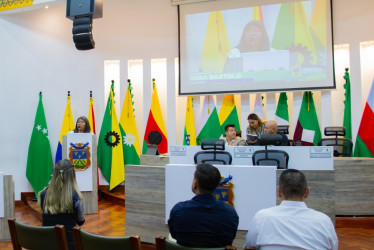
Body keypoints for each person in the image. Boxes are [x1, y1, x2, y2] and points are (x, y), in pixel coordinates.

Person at [244, 169, 338, 250]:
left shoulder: (262, 217)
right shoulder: (324, 221)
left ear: (279, 191)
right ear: (307, 192)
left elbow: (249, 246)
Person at [168, 163, 239, 247]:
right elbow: (231, 237)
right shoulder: (230, 213)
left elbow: (174, 235)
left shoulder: (178, 210)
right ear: (216, 186)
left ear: (195, 184)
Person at [38, 159, 85, 250]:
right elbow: (81, 221)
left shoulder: (43, 195)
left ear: (54, 174)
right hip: (69, 245)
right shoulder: (76, 197)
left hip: (47, 244)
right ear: (72, 175)